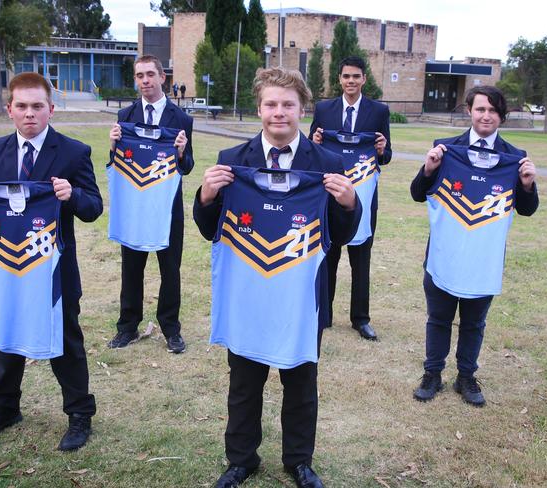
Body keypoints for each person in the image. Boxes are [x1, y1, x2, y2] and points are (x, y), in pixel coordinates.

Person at [194, 67, 361, 488]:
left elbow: (340, 236)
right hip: (248, 291)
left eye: (288, 105)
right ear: (259, 108)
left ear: (302, 110)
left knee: (301, 382)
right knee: (244, 381)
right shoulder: (232, 161)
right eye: (271, 104)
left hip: (301, 295)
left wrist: (348, 204)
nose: (279, 113)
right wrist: (206, 195)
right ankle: (240, 460)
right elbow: (207, 226)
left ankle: (299, 461)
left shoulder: (328, 163)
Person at [0, 72, 102, 450]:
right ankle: (5, 407)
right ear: (10, 110)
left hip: (53, 269)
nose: (29, 114)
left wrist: (72, 195)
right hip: (7, 267)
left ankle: (79, 414)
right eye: (21, 106)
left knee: (66, 341)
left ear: (51, 109)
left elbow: (93, 208)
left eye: (37, 106)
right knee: (6, 337)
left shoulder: (73, 152)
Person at [410, 85, 538, 407]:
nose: (486, 116)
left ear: (501, 117)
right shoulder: (445, 149)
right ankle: (433, 373)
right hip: (443, 257)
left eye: (493, 111)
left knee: (474, 323)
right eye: (480, 109)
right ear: (469, 111)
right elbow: (417, 192)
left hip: (484, 261)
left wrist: (526, 184)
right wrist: (428, 169)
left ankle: (466, 376)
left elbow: (527, 208)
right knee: (437, 318)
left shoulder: (514, 158)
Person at [107, 55, 194, 353]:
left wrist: (182, 153)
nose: (144, 81)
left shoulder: (182, 119)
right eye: (139, 75)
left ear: (162, 78)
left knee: (170, 270)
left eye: (149, 75)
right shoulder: (125, 115)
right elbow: (115, 164)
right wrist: (112, 146)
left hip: (167, 208)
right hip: (134, 207)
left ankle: (171, 328)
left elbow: (188, 165)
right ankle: (127, 327)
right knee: (131, 268)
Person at [309, 55, 391, 341]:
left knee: (361, 260)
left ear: (364, 79)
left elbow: (387, 155)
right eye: (346, 76)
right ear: (340, 79)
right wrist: (315, 142)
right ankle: (324, 313)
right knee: (328, 256)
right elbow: (310, 149)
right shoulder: (324, 109)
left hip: (364, 197)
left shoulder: (379, 111)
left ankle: (361, 319)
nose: (351, 81)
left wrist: (381, 150)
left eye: (356, 76)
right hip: (331, 196)